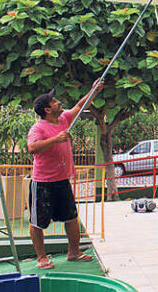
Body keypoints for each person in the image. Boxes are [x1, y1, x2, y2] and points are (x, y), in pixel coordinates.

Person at [27, 80, 102, 269]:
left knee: (71, 217)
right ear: (47, 109)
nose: (58, 102)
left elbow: (80, 106)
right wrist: (56, 139)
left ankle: (74, 252)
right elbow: (32, 147)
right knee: (38, 222)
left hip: (62, 180)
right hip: (43, 182)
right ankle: (42, 257)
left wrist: (94, 90)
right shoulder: (38, 128)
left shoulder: (63, 119)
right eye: (54, 101)